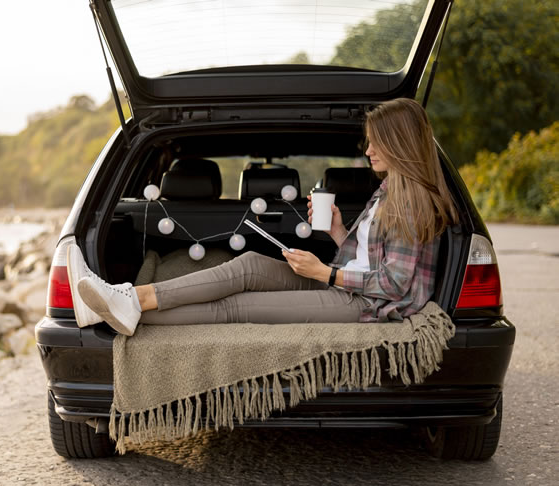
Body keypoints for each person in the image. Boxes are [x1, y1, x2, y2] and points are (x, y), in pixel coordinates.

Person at [69, 98, 459, 336]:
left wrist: (324, 273)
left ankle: (114, 314)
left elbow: (393, 285)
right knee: (250, 264)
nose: (369, 150)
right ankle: (128, 298)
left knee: (237, 307)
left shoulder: (413, 201)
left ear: (399, 143)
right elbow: (372, 261)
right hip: (346, 287)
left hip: (366, 306)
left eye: (376, 142)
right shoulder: (387, 190)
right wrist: (340, 232)